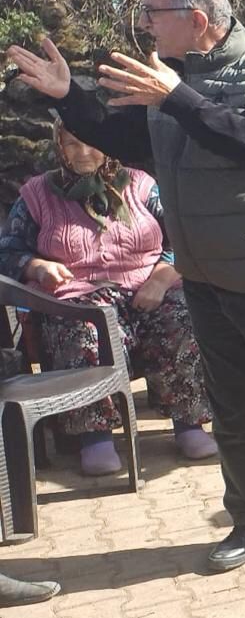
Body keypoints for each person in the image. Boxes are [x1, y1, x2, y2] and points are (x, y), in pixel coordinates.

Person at [7, 0, 245, 572]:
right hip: (205, 275)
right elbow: (126, 140)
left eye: (153, 12)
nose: (144, 24)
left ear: (196, 19)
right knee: (230, 409)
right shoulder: (171, 80)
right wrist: (70, 97)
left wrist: (175, 96)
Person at [0, 123, 216, 475]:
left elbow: (183, 238)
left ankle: (189, 425)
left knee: (181, 317)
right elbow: (8, 251)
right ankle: (95, 437)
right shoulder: (37, 195)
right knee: (84, 328)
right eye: (72, 144)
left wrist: (160, 280)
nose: (84, 153)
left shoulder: (140, 185)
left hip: (147, 289)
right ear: (59, 147)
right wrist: (37, 267)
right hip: (77, 297)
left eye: (92, 143)